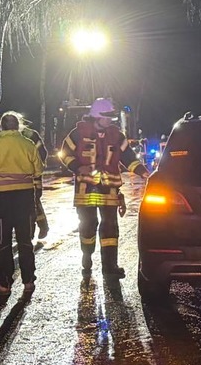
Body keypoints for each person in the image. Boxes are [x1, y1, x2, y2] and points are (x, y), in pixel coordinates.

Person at [58, 97, 147, 279]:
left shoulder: (116, 136)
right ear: (97, 116)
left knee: (110, 228)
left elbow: (129, 158)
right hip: (86, 190)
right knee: (88, 226)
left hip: (109, 190)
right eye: (107, 117)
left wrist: (145, 174)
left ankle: (110, 267)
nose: (110, 120)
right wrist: (76, 167)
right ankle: (87, 255)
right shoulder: (78, 134)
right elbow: (64, 153)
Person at [0, 112, 44, 297]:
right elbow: (38, 169)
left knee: (4, 242)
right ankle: (29, 281)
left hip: (0, 200)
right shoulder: (28, 145)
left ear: (1, 127)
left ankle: (4, 284)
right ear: (18, 126)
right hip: (24, 198)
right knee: (25, 241)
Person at [21, 121, 50, 239]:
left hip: (33, 175)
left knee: (34, 201)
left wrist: (35, 167)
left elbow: (42, 152)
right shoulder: (9, 137)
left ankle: (41, 227)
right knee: (25, 204)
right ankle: (29, 233)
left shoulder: (31, 135)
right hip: (21, 176)